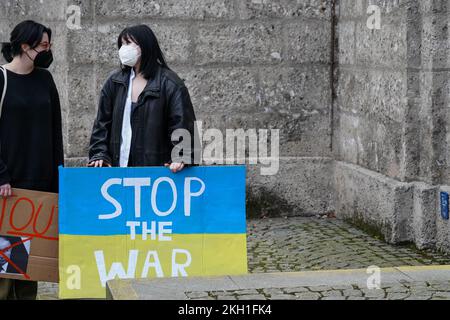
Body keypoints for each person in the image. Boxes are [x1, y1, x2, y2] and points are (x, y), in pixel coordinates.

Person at [0, 20, 64, 300]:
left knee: (31, 265)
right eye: (43, 46)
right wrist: (0, 175)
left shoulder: (45, 80)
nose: (48, 51)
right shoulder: (1, 79)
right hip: (9, 185)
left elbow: (55, 129)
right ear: (24, 47)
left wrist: (58, 177)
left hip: (40, 184)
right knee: (6, 262)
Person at [88, 24, 197, 171]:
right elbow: (102, 124)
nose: (123, 49)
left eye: (128, 43)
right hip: (116, 171)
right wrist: (99, 154)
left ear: (145, 46)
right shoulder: (114, 82)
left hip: (157, 174)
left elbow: (182, 123)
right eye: (122, 44)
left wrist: (181, 157)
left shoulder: (170, 84)